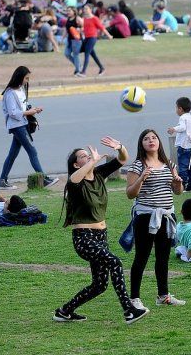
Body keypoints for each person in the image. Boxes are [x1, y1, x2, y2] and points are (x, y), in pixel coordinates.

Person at [55, 136, 149, 324]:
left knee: (100, 285)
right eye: (83, 156)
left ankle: (64, 311)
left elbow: (123, 159)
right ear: (76, 164)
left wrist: (120, 147)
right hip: (84, 238)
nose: (88, 156)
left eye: (88, 154)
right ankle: (129, 311)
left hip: (101, 236)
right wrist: (94, 160)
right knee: (115, 262)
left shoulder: (98, 174)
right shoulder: (75, 183)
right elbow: (73, 179)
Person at [125, 129, 185, 310]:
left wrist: (178, 182)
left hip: (167, 216)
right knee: (141, 257)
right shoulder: (137, 165)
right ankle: (134, 298)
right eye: (146, 138)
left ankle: (163, 295)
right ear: (141, 144)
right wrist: (141, 178)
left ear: (159, 142)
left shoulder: (169, 164)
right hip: (146, 217)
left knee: (163, 257)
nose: (151, 140)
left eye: (153, 137)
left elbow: (177, 192)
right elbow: (130, 193)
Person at [0, 66, 58, 189]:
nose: (27, 81)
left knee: (12, 154)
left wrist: (33, 110)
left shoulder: (20, 89)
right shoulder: (10, 93)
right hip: (17, 126)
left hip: (22, 124)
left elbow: (24, 106)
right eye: (26, 78)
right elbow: (12, 113)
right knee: (32, 151)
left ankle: (2, 181)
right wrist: (28, 113)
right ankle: (44, 178)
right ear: (19, 77)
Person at [167, 97, 191, 192]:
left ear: (180, 109)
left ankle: (182, 186)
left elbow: (182, 127)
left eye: (176, 108)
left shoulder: (182, 118)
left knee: (182, 168)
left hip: (183, 148)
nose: (176, 110)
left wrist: (173, 129)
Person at [81, 4, 111, 77]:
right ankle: (102, 68)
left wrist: (109, 35)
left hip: (92, 38)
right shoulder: (84, 18)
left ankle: (83, 72)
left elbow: (102, 28)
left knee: (87, 53)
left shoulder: (95, 18)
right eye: (84, 9)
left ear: (90, 10)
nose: (85, 10)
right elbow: (84, 28)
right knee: (92, 55)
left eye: (86, 9)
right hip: (86, 38)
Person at [64, 7, 83, 77]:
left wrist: (79, 29)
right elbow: (66, 30)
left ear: (74, 11)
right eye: (67, 11)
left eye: (69, 11)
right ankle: (79, 65)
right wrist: (62, 39)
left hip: (77, 40)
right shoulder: (68, 19)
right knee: (67, 54)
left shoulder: (78, 19)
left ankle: (78, 71)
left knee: (76, 55)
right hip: (69, 40)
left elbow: (84, 26)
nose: (68, 12)